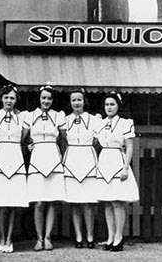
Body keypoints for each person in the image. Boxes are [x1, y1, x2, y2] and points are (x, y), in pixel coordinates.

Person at [95, 92, 139, 252]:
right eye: (107, 104)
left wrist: (125, 167)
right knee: (107, 201)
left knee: (117, 201)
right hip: (104, 161)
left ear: (118, 106)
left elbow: (130, 147)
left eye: (112, 104)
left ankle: (119, 237)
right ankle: (111, 236)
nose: (109, 107)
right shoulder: (100, 123)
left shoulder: (125, 123)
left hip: (117, 161)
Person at [24, 83, 67, 251]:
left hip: (53, 157)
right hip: (37, 158)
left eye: (49, 98)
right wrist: (29, 144)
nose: (46, 101)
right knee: (39, 202)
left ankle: (48, 238)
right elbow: (23, 138)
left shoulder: (58, 116)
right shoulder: (30, 115)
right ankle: (39, 238)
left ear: (52, 100)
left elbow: (66, 138)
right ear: (39, 99)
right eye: (43, 98)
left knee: (51, 201)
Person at [0, 84, 29, 253]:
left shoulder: (22, 117)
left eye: (12, 98)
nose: (9, 101)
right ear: (1, 99)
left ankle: (9, 239)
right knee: (2, 204)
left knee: (13, 204)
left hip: (16, 160)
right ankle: (1, 238)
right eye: (6, 97)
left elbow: (24, 140)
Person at [62, 87, 100, 249]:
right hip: (72, 161)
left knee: (88, 202)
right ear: (70, 103)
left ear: (84, 101)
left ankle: (90, 237)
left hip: (88, 160)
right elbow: (64, 137)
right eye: (73, 100)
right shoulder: (65, 120)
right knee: (75, 202)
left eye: (79, 100)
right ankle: (78, 237)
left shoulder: (94, 119)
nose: (76, 103)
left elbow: (98, 140)